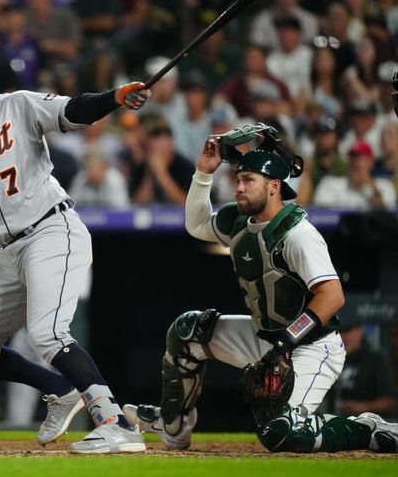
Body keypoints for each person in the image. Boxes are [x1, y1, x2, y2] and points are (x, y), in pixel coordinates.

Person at [0, 43, 151, 454]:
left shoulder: (17, 106)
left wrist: (115, 97)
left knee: (47, 333)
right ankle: (57, 389)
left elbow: (74, 110)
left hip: (51, 229)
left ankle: (116, 422)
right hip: (7, 251)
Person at [123, 133, 398, 453]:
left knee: (282, 433)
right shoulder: (239, 221)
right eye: (238, 179)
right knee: (188, 331)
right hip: (267, 338)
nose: (239, 187)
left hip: (311, 346)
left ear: (274, 186)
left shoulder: (298, 234)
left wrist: (287, 340)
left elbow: (332, 296)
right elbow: (196, 225)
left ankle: (367, 429)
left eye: (248, 180)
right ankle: (172, 423)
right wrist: (203, 174)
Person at [336, 322, 396, 418]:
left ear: (359, 331)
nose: (342, 337)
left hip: (371, 425)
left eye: (346, 331)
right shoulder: (334, 358)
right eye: (338, 332)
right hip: (338, 423)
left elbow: (389, 403)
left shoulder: (376, 358)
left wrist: (362, 407)